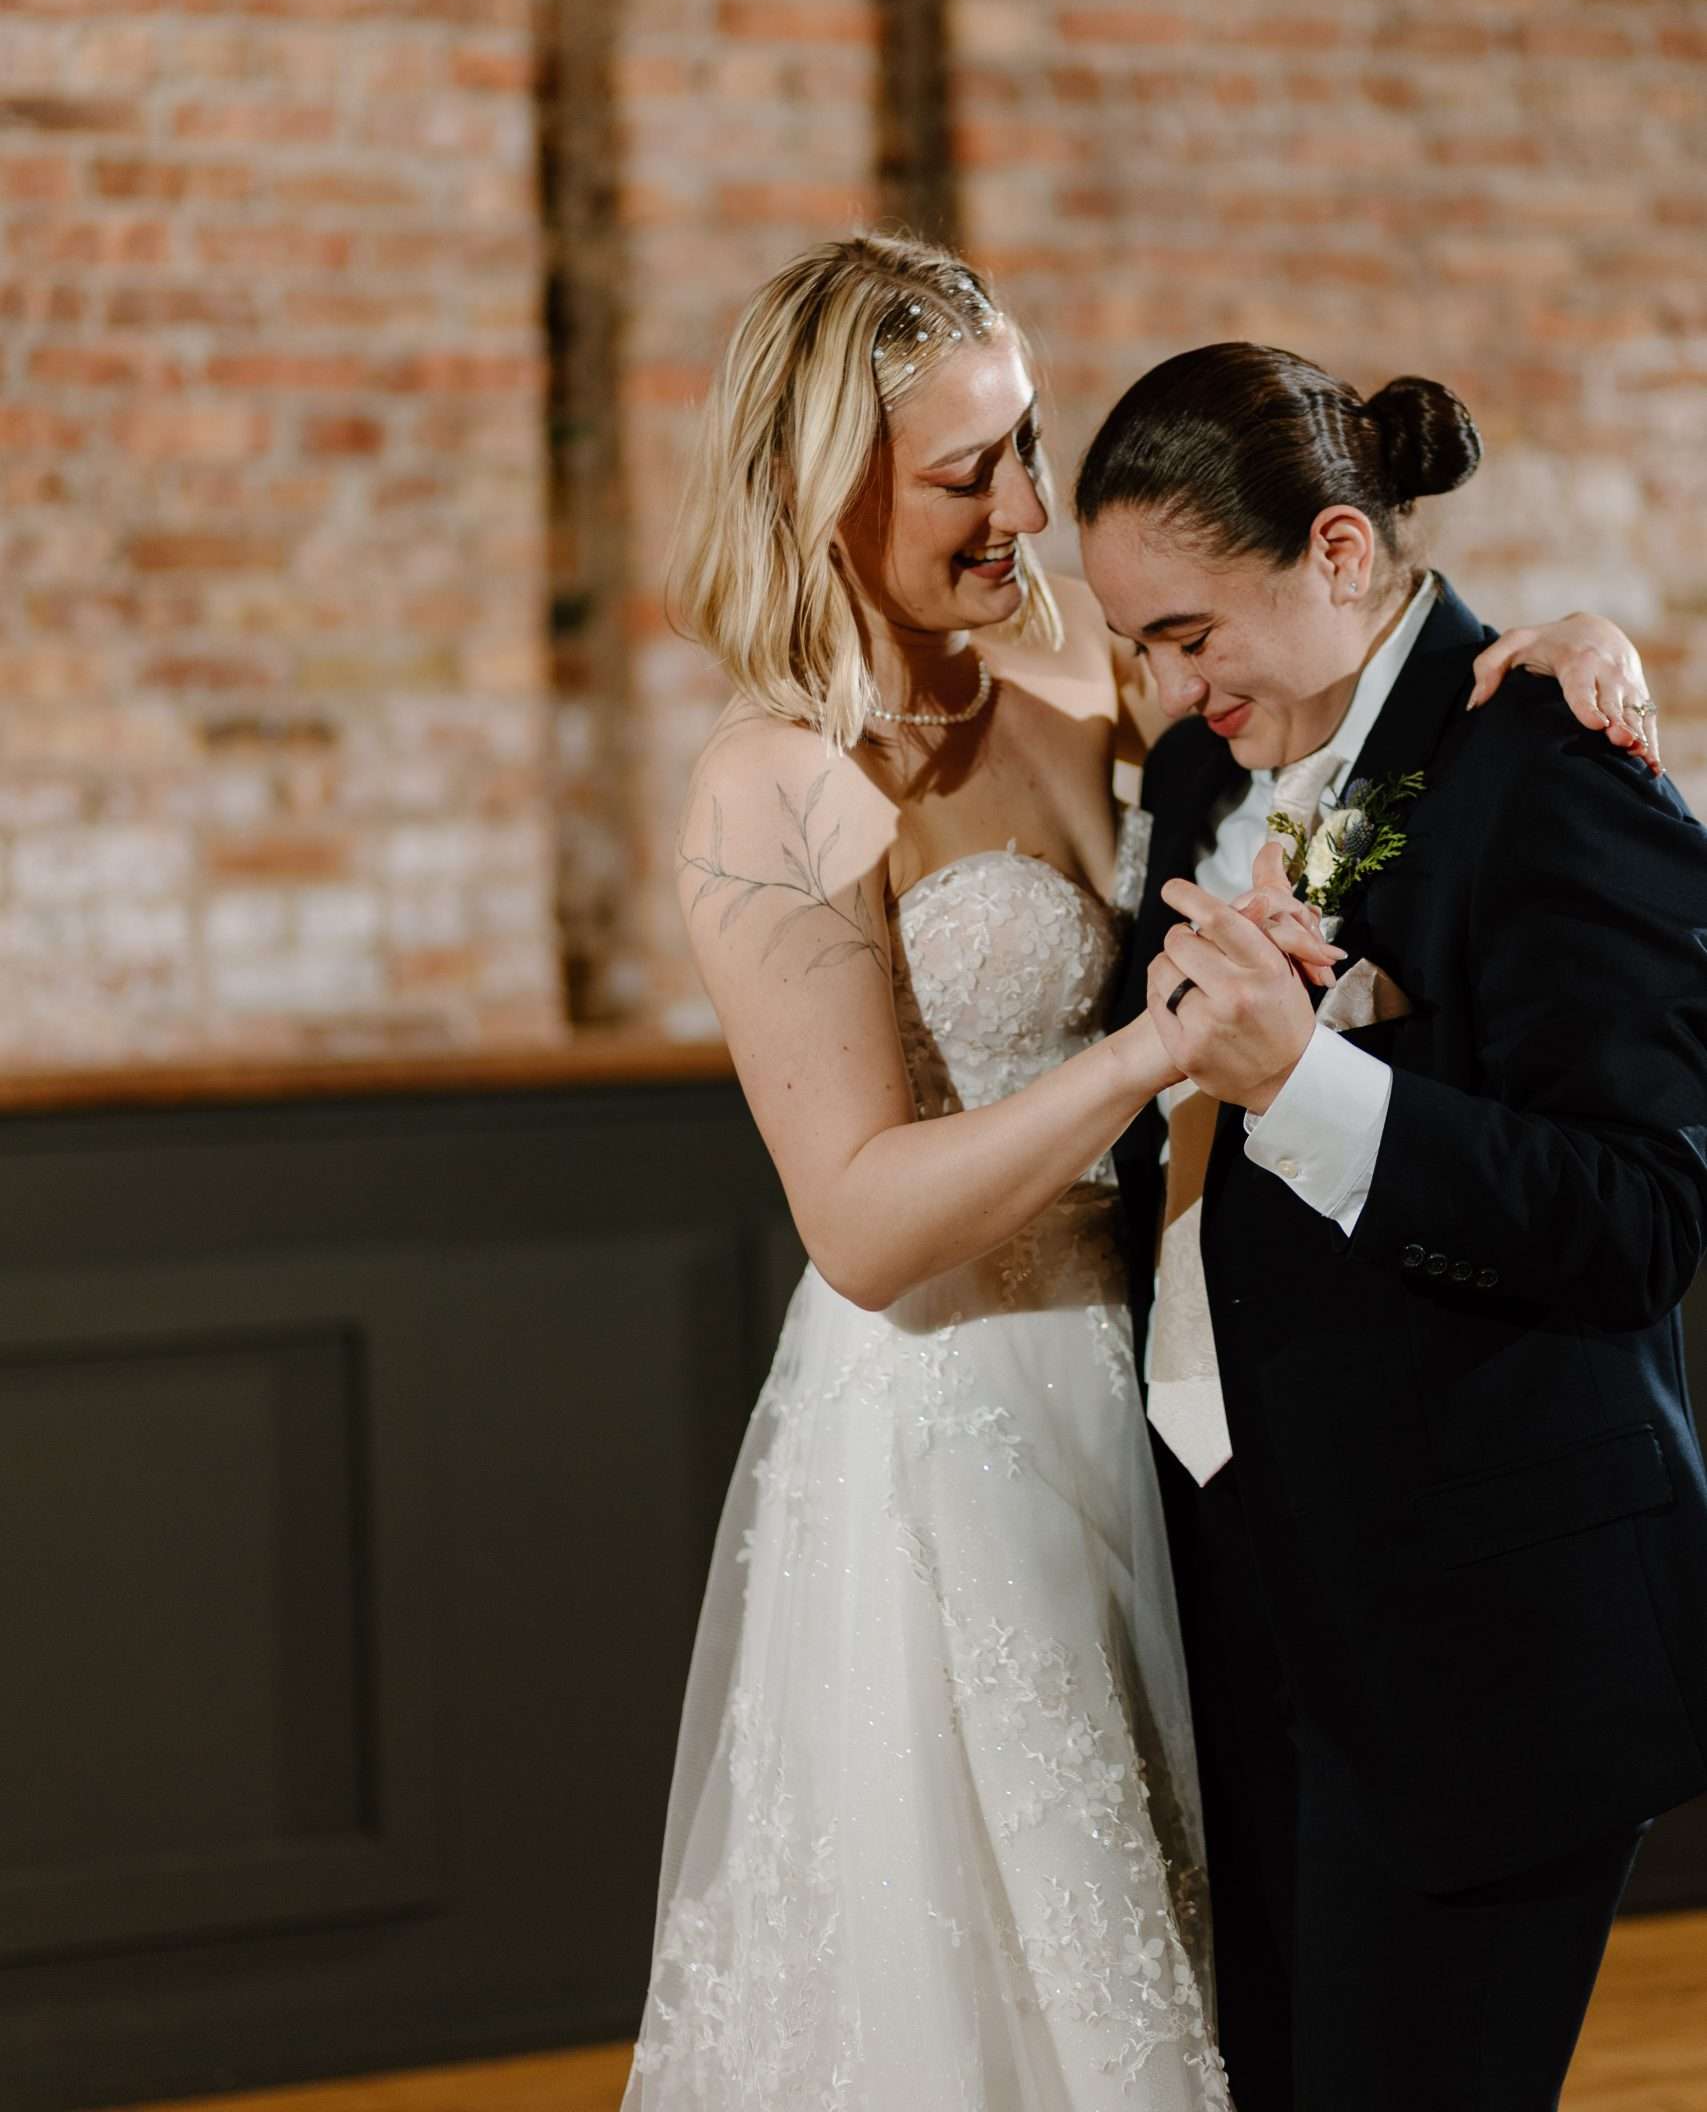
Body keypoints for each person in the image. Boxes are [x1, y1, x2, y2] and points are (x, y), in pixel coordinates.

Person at [624, 239, 1652, 2112]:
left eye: (1024, 447)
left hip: (1174, 1437)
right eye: (970, 471)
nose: (1027, 508)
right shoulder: (770, 788)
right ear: (822, 482)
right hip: (949, 1439)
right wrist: (1163, 1052)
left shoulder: (1097, 671)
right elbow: (858, 1224)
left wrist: (1567, 640)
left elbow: (1340, 684)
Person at [1078, 340, 1707, 2112]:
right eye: (1137, 642)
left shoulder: (1560, 768)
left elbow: (1643, 1217)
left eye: (1187, 632)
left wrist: (1312, 1084)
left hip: (1479, 1649)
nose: (1163, 680)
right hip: (1248, 1605)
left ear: (1340, 554)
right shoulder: (1207, 780)